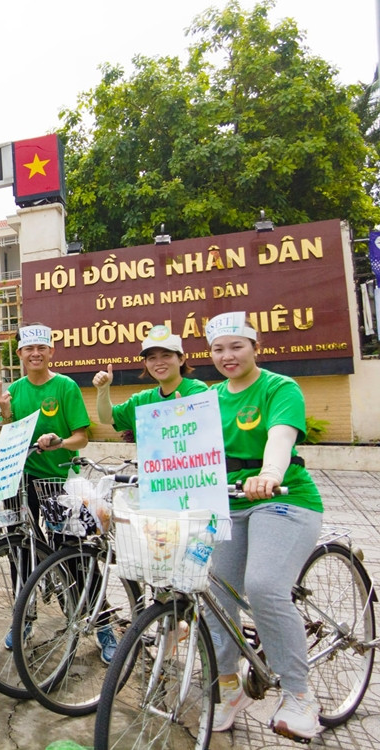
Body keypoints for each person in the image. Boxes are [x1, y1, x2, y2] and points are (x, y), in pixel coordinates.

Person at [204, 311, 323, 741]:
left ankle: (299, 695)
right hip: (230, 503)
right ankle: (228, 687)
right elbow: (188, 449)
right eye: (218, 348)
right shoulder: (210, 397)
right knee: (213, 591)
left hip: (285, 500)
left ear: (256, 346)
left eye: (236, 346)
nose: (227, 355)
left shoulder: (279, 388)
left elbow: (281, 438)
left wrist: (270, 472)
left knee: (264, 585)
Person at [0, 324, 104, 657]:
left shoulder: (65, 386)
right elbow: (11, 434)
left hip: (59, 480)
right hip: (22, 480)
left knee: (73, 553)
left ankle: (102, 623)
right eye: (28, 349)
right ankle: (24, 617)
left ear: (51, 351)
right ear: (20, 354)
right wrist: (5, 409)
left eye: (41, 347)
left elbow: (82, 436)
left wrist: (60, 444)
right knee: (19, 549)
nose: (35, 353)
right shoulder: (16, 389)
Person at [93, 325, 209, 440]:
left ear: (181, 359)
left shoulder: (196, 390)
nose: (159, 362)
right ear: (146, 364)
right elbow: (107, 418)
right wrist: (103, 389)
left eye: (166, 355)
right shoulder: (141, 400)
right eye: (152, 358)